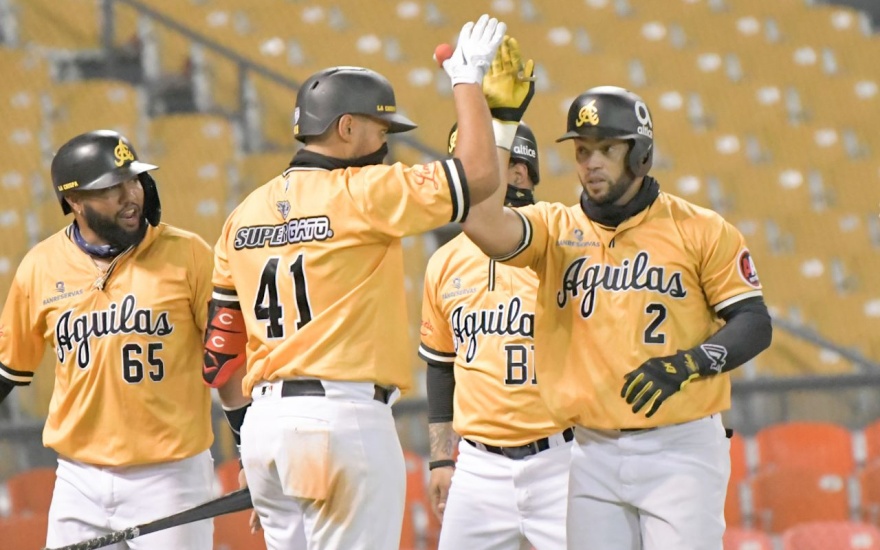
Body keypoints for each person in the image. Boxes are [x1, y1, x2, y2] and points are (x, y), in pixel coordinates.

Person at [202, 14, 530, 550]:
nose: (387, 140)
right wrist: (466, 80)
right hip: (340, 421)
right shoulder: (363, 192)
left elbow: (221, 356)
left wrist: (249, 445)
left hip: (265, 431)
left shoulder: (244, 214)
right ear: (346, 127)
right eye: (381, 127)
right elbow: (478, 175)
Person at [466, 79, 774, 548]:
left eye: (605, 149)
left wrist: (689, 362)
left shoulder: (700, 229)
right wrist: (502, 127)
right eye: (582, 151)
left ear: (639, 153)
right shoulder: (554, 226)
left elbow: (753, 321)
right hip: (591, 450)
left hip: (681, 448)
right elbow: (481, 221)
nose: (590, 163)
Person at [0, 129, 215, 548]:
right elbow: (9, 369)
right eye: (110, 189)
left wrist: (251, 443)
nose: (130, 196)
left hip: (168, 476)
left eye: (133, 181)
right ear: (75, 201)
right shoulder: (40, 266)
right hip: (79, 479)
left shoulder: (188, 253)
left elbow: (231, 355)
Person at [420, 120, 571, 549]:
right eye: (468, 166)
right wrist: (440, 459)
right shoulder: (445, 261)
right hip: (479, 467)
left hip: (560, 456)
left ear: (521, 172)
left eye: (487, 164)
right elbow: (440, 365)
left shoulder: (559, 240)